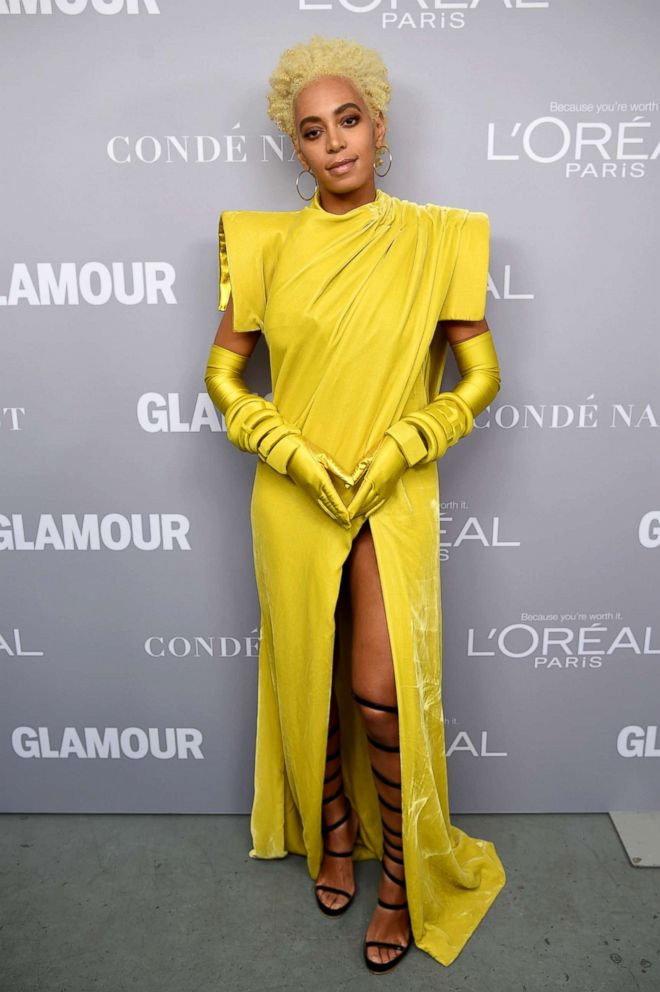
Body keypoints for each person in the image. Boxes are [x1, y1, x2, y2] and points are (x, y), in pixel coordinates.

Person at [204, 33, 506, 973]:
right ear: (293, 148)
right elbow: (223, 376)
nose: (334, 142)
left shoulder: (440, 236)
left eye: (349, 120)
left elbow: (482, 375)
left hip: (392, 491)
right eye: (311, 130)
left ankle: (406, 878)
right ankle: (334, 840)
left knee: (380, 696)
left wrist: (402, 447)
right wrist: (290, 453)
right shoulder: (262, 243)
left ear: (380, 125)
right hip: (293, 497)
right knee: (312, 683)